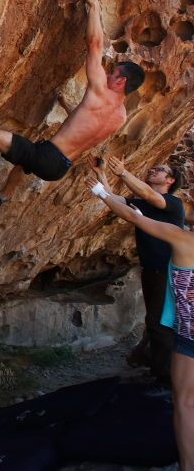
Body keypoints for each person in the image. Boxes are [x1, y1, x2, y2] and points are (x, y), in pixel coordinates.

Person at [0, 0, 145, 208]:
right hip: (59, 167)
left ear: (121, 82)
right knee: (26, 160)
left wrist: (94, 5)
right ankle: (4, 195)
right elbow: (88, 124)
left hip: (47, 156)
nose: (107, 73)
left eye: (113, 72)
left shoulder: (99, 90)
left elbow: (94, 45)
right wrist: (67, 104)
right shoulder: (120, 117)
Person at [87, 177, 194, 470]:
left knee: (185, 403)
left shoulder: (183, 240)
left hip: (189, 336)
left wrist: (99, 190)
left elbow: (135, 216)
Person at [89, 156, 184, 382]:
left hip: (168, 270)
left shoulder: (172, 203)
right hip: (152, 270)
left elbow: (150, 195)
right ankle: (158, 366)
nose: (153, 169)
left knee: (159, 323)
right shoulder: (142, 205)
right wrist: (101, 173)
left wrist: (123, 172)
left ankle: (165, 377)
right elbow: (114, 199)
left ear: (169, 180)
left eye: (159, 170)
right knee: (156, 320)